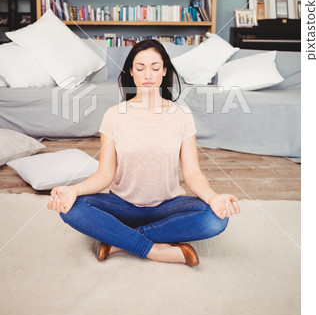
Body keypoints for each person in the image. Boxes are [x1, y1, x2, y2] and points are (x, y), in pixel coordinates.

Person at [47, 39, 240, 266]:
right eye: (140, 68)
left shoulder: (182, 116)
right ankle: (154, 249)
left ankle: (119, 239)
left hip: (169, 206)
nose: (148, 74)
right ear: (131, 72)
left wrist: (213, 197)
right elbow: (104, 175)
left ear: (164, 71)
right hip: (123, 205)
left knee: (215, 220)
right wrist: (73, 190)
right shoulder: (113, 115)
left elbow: (193, 173)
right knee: (72, 208)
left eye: (155, 68)